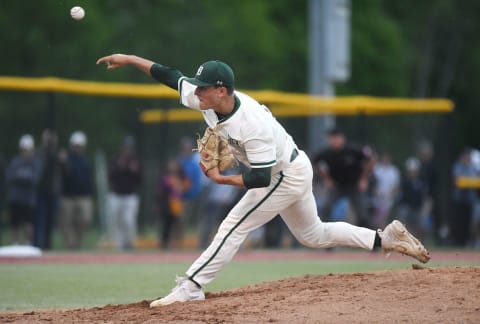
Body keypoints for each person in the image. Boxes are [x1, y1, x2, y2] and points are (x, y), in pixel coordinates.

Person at [96, 54, 430, 307]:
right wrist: (127, 59)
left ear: (222, 90)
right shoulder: (205, 100)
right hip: (293, 166)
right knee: (314, 234)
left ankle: (191, 287)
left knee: (233, 224)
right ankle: (383, 238)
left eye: (203, 88)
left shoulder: (250, 125)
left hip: (284, 175)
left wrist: (221, 179)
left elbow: (259, 178)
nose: (195, 92)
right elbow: (170, 76)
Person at [312, 128, 376, 228]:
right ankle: (322, 235)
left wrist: (364, 179)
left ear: (342, 139)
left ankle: (369, 237)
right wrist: (326, 178)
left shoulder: (353, 150)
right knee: (326, 209)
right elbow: (315, 162)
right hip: (337, 185)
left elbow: (371, 159)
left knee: (362, 213)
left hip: (354, 185)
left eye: (337, 138)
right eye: (332, 138)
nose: (334, 141)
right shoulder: (326, 153)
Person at [58, 131, 94, 250]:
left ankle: (77, 243)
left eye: (79, 146)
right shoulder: (66, 159)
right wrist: (63, 163)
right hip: (68, 196)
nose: (77, 148)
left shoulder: (86, 161)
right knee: (66, 222)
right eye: (76, 145)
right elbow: (64, 175)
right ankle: (70, 245)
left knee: (85, 219)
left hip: (84, 196)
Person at [107, 136, 142, 250]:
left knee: (129, 220)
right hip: (116, 194)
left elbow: (140, 179)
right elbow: (110, 177)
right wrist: (118, 168)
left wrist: (134, 171)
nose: (128, 150)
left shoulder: (136, 160)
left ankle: (130, 243)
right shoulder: (116, 159)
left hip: (130, 195)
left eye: (130, 147)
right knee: (116, 220)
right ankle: (119, 245)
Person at [5, 134, 41, 245]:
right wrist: (24, 178)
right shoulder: (15, 162)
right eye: (24, 149)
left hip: (28, 199)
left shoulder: (35, 163)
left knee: (28, 223)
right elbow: (9, 177)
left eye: (28, 149)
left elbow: (35, 180)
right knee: (15, 223)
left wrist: (20, 178)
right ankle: (15, 243)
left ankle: (28, 243)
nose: (26, 152)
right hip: (15, 198)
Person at [34, 129, 61, 250]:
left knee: (50, 220)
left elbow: (63, 169)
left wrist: (54, 145)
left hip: (52, 191)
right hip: (40, 191)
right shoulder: (40, 153)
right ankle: (36, 244)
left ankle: (47, 245)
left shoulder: (56, 154)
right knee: (39, 219)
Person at [155, 158, 187, 249]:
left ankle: (178, 244)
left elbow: (185, 189)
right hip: (167, 205)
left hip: (178, 204)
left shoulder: (181, 177)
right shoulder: (165, 178)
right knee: (166, 225)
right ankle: (165, 243)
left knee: (178, 225)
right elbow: (160, 192)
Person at [451, 149, 478, 247]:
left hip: (470, 199)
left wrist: (467, 181)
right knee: (459, 221)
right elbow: (457, 181)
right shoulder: (458, 166)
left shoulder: (474, 167)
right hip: (459, 199)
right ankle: (459, 240)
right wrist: (469, 181)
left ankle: (470, 241)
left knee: (470, 221)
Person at [396, 157, 427, 241]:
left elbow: (423, 195)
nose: (412, 173)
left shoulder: (421, 181)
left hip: (417, 206)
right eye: (411, 171)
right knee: (401, 224)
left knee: (421, 225)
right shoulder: (404, 181)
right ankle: (402, 241)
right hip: (406, 206)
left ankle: (420, 242)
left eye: (414, 171)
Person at [372, 152, 400, 229]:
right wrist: (375, 191)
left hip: (387, 199)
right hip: (376, 198)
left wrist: (391, 194)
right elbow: (373, 182)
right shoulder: (377, 169)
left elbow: (396, 186)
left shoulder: (394, 171)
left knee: (383, 219)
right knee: (375, 220)